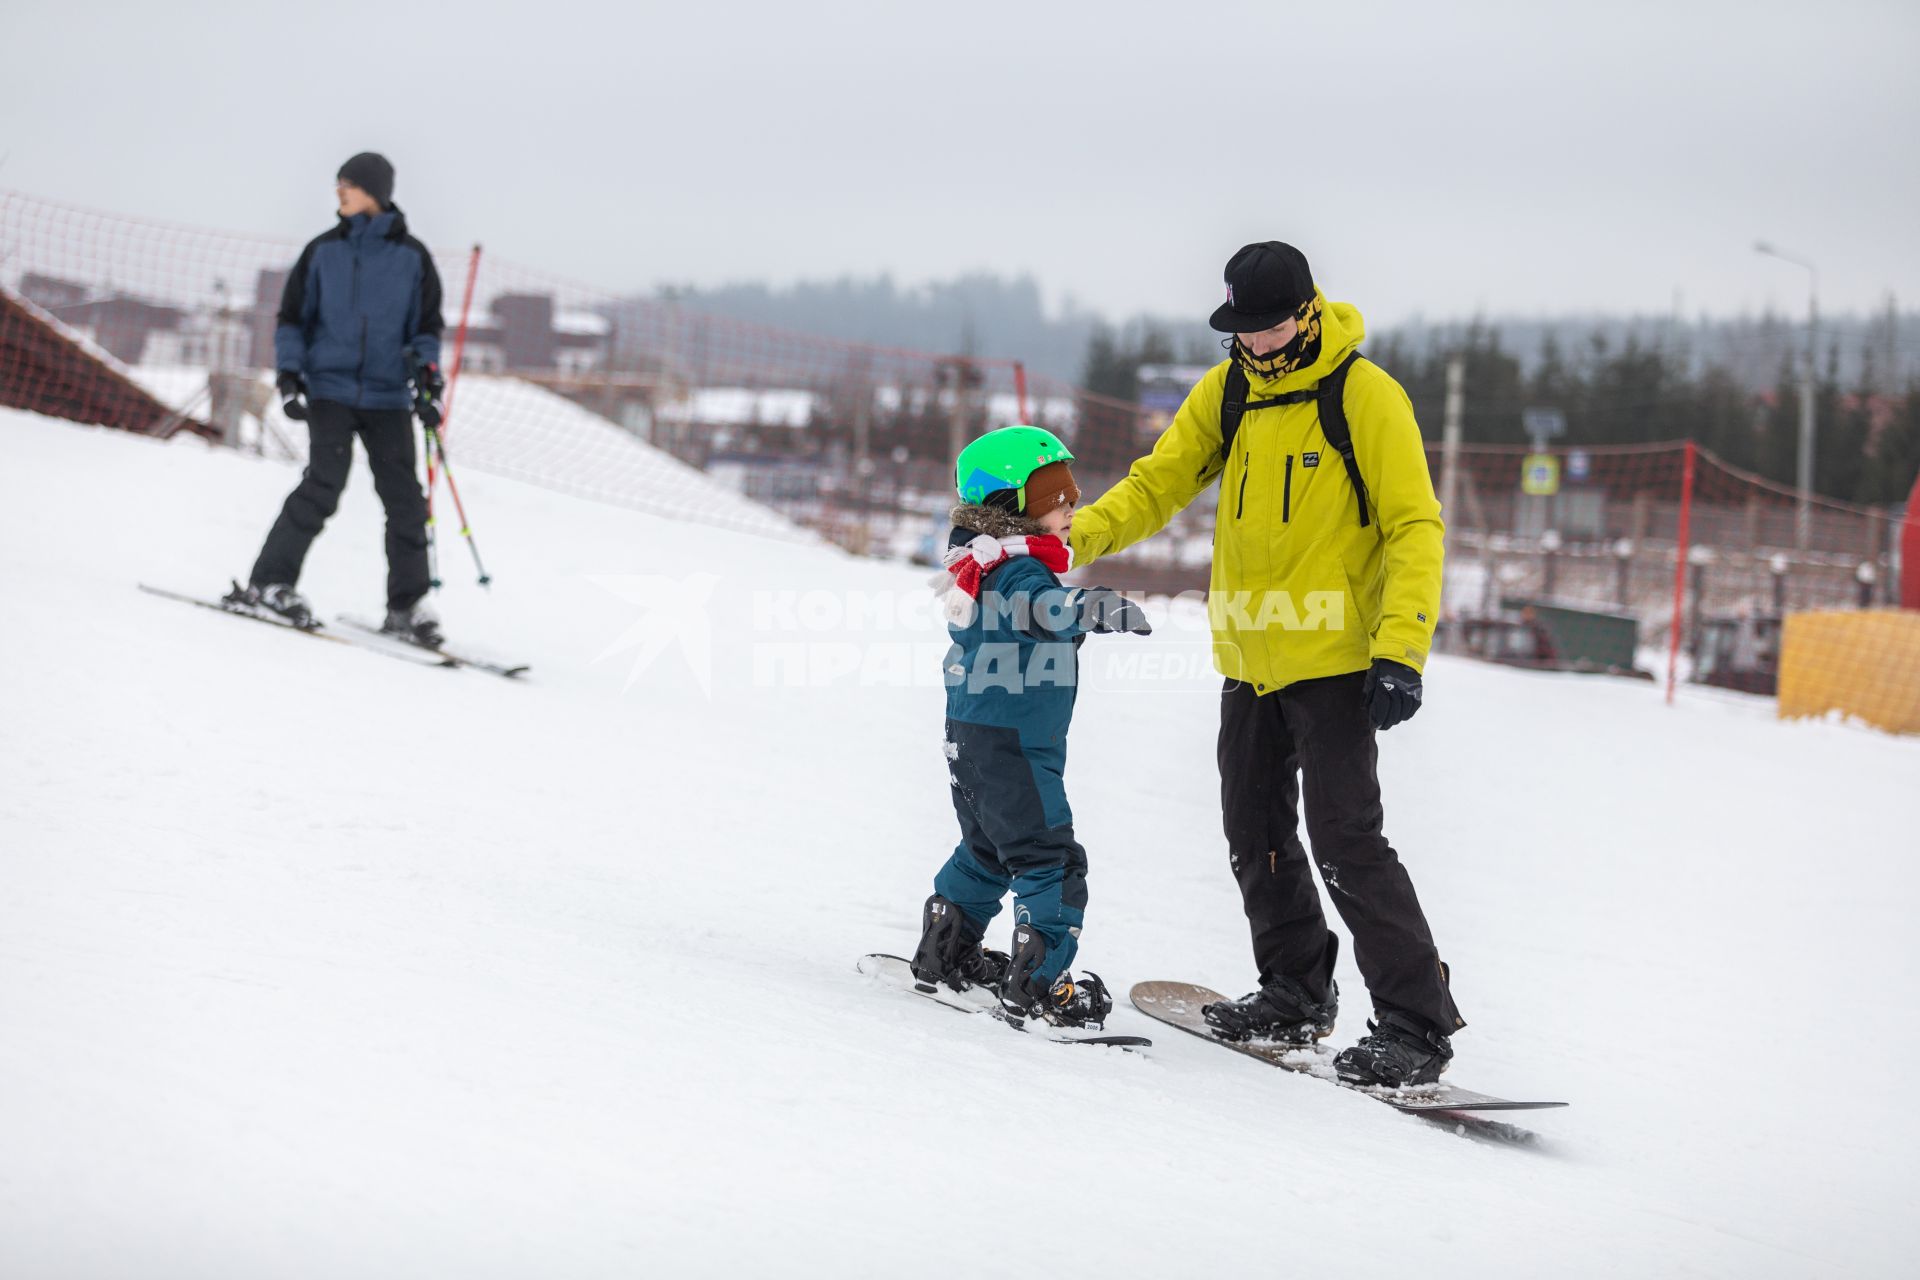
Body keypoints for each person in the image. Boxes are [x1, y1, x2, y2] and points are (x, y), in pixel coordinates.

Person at [1069, 242, 1465, 1086]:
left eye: (1269, 325)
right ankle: (1294, 989)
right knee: (1254, 830)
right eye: (1241, 329)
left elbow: (1415, 529)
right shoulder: (1232, 391)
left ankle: (1416, 1025)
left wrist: (1401, 650)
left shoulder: (1363, 396)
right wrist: (1076, 537)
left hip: (1336, 662)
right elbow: (1158, 483)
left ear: (1309, 310)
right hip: (1250, 656)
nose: (1255, 342)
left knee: (1345, 839)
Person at [910, 426, 1153, 1027]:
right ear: (1010, 508)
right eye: (1054, 498)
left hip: (972, 741)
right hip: (1016, 749)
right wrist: (1086, 607)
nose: (1071, 508)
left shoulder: (979, 565)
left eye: (1071, 493)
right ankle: (1042, 985)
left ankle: (945, 952)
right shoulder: (1020, 574)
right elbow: (1039, 611)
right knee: (1052, 860)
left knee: (987, 850)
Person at [227, 152, 447, 646]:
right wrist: (289, 376)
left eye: (348, 185)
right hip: (330, 390)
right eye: (339, 185)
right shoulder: (322, 251)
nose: (339, 193)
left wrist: (427, 377)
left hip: (389, 396)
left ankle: (407, 605)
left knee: (406, 501)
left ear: (374, 190)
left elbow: (426, 327)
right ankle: (270, 583)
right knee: (322, 486)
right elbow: (292, 319)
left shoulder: (413, 258)